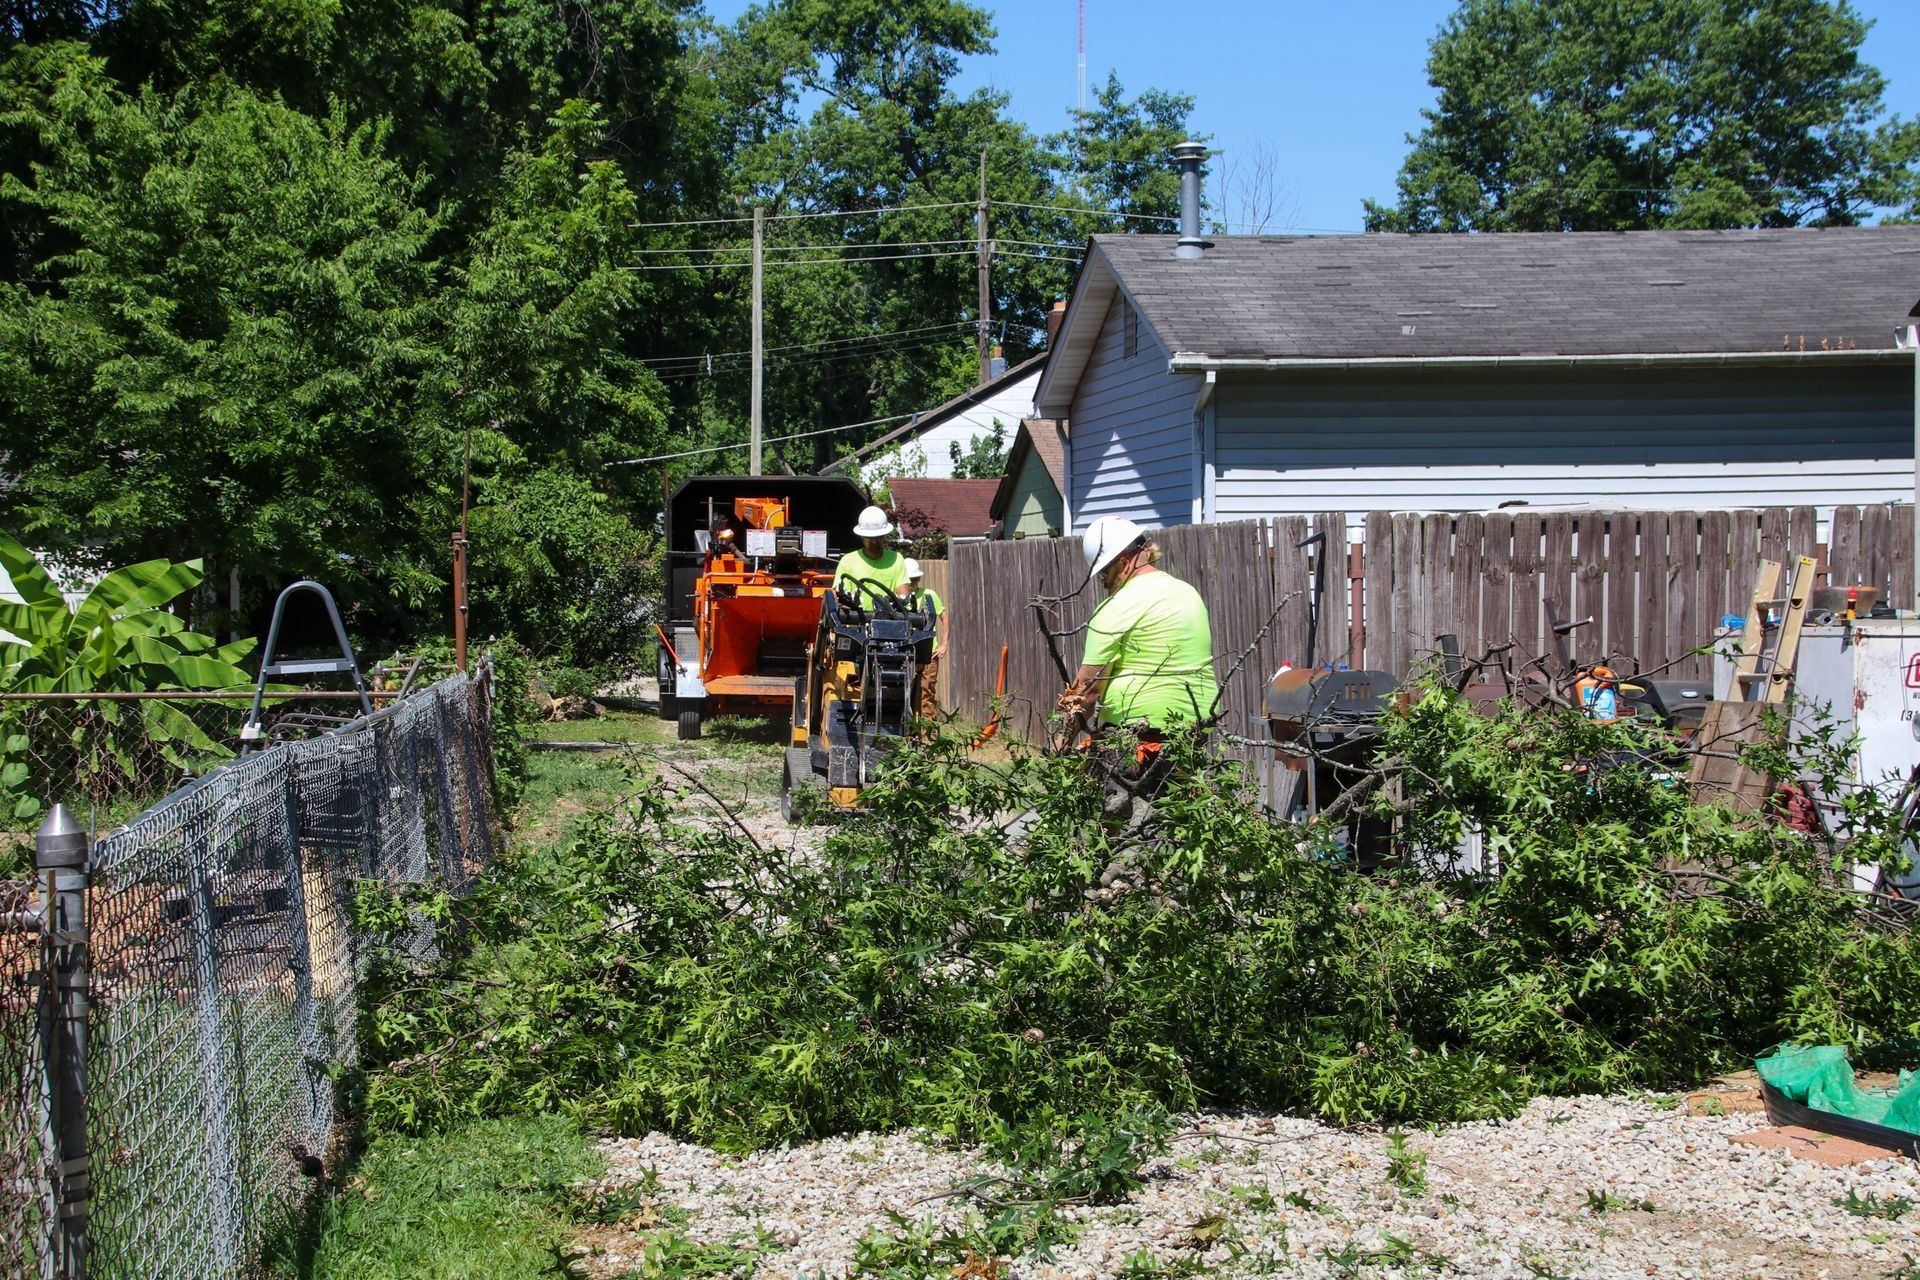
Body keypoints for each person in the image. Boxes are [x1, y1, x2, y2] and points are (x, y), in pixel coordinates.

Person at [1055, 515, 1217, 744]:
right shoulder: (1187, 591)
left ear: (1123, 562)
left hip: (1140, 727)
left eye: (1104, 573)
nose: (1103, 583)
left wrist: (1061, 742)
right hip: (1196, 724)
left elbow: (1088, 690)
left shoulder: (1117, 605)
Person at [900, 558, 947, 720]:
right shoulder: (898, 598)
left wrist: (944, 644)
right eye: (910, 580)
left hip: (929, 653)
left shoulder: (929, 595)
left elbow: (945, 618)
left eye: (915, 580)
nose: (913, 584)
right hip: (906, 652)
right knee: (905, 692)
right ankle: (907, 730)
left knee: (926, 691)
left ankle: (928, 733)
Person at [834, 505, 909, 603]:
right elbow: (840, 598)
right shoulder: (847, 561)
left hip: (890, 617)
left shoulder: (896, 559)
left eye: (879, 537)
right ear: (861, 536)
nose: (875, 541)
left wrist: (902, 602)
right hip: (857, 618)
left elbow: (903, 594)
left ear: (885, 535)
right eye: (870, 538)